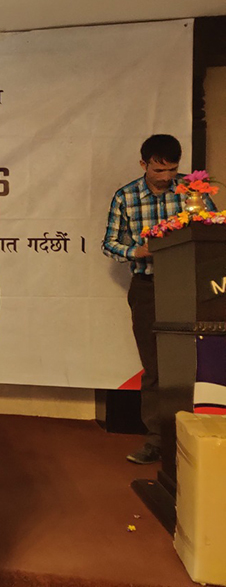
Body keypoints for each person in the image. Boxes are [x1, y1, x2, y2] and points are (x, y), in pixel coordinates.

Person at [102, 134, 217, 465]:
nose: (166, 177)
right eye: (159, 170)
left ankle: (194, 438)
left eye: (172, 170)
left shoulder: (192, 191)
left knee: (194, 363)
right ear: (144, 164)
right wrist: (136, 251)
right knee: (154, 366)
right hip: (148, 287)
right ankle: (156, 440)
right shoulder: (125, 197)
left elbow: (212, 229)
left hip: (190, 287)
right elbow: (109, 243)